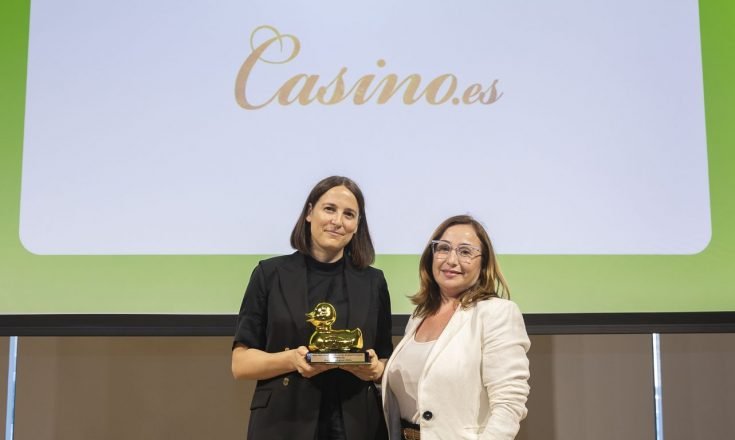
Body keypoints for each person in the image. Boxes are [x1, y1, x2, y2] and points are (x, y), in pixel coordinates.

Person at [232, 176, 393, 440]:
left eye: (349, 214)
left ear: (357, 225)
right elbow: (240, 364)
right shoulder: (269, 274)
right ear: (309, 213)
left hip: (357, 423)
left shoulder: (373, 282)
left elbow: (385, 358)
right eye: (329, 209)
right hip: (283, 422)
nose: (337, 221)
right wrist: (292, 360)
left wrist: (376, 369)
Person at [382, 215, 530, 440]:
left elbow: (509, 404)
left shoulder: (497, 313)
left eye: (465, 251)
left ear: (483, 264)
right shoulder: (418, 316)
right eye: (443, 248)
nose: (451, 260)